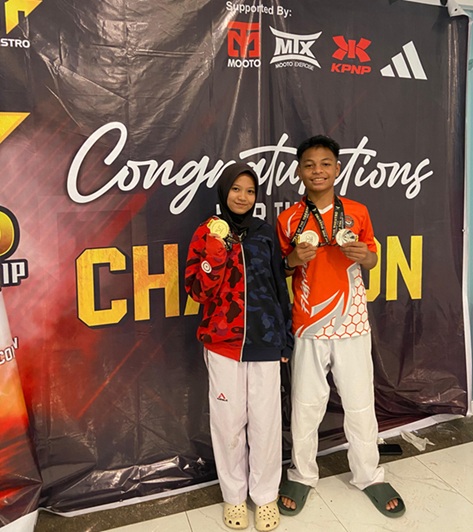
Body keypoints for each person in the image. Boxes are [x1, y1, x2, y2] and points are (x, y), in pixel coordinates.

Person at [276, 135, 406, 518]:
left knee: (360, 402)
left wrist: (365, 255)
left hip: (352, 320)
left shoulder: (358, 212)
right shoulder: (288, 219)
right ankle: (302, 474)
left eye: (325, 164)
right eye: (309, 165)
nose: (317, 171)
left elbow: (372, 259)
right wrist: (293, 259)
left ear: (337, 168)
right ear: (299, 171)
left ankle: (369, 475)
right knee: (305, 404)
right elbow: (280, 268)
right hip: (309, 322)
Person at [185, 162, 293, 531]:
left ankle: (265, 497)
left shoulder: (264, 233)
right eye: (236, 189)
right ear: (224, 192)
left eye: (249, 191)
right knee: (228, 424)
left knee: (265, 423)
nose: (243, 197)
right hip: (222, 344)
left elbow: (278, 286)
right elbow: (197, 291)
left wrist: (285, 337)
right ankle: (233, 496)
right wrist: (215, 252)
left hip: (266, 342)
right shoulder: (206, 232)